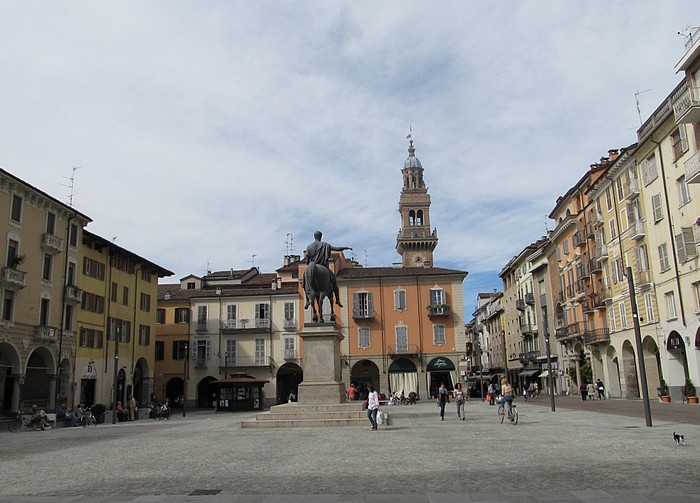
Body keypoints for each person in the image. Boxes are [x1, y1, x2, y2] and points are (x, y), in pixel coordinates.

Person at [303, 231, 352, 308]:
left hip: (311, 266)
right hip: (324, 267)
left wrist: (310, 264)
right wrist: (345, 248)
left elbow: (308, 261)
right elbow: (336, 248)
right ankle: (337, 300)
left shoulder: (309, 247)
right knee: (334, 282)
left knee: (305, 281)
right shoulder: (326, 245)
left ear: (314, 236)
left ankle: (307, 301)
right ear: (320, 237)